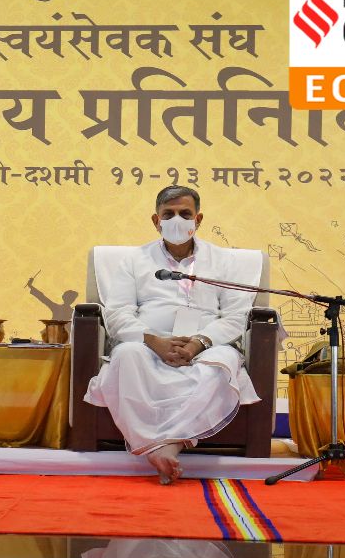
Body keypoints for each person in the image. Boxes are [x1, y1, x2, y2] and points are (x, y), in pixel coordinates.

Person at [84, 185, 259, 484]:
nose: (177, 220)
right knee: (126, 355)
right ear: (156, 220)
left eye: (185, 214)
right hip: (148, 342)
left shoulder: (223, 261)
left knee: (222, 366)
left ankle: (167, 445)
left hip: (206, 344)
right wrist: (153, 341)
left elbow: (235, 315)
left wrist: (198, 343)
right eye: (169, 214)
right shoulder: (134, 260)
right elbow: (116, 314)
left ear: (198, 219)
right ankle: (156, 444)